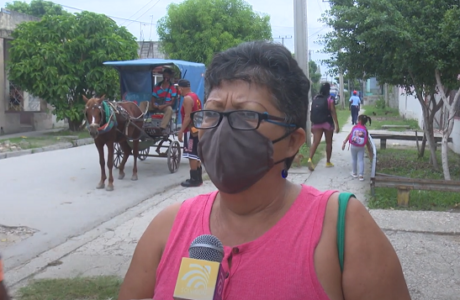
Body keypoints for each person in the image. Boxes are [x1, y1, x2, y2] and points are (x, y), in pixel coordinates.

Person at [117, 41, 411, 300]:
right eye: (213, 112)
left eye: (246, 115)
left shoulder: (342, 230)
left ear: (292, 142)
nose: (222, 129)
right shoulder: (168, 228)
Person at [176, 79, 203, 188]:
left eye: (178, 88)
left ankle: (194, 179)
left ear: (181, 88)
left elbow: (187, 117)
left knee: (191, 155)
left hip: (190, 130)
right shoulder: (195, 96)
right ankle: (198, 178)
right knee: (196, 154)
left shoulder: (187, 99)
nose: (178, 91)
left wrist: (181, 131)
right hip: (197, 128)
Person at [308, 82, 340, 171]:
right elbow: (333, 112)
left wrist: (312, 124)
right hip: (327, 123)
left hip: (316, 123)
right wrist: (337, 124)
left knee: (315, 142)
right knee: (328, 142)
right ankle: (328, 162)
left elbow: (312, 111)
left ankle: (310, 158)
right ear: (328, 89)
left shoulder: (315, 98)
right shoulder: (330, 99)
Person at [139, 68, 177, 135]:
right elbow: (153, 97)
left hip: (166, 105)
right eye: (164, 75)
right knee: (143, 103)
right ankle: (139, 122)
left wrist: (163, 106)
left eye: (167, 76)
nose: (165, 77)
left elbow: (172, 102)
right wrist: (153, 104)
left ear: (170, 77)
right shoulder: (157, 86)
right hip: (156, 104)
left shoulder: (172, 88)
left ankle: (162, 128)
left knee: (169, 110)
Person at [342, 114, 374, 181]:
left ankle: (354, 173)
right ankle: (361, 176)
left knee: (354, 159)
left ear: (359, 120)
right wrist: (369, 150)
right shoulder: (365, 129)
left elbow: (350, 135)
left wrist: (344, 142)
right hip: (361, 147)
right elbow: (367, 141)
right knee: (361, 160)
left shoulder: (355, 127)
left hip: (353, 145)